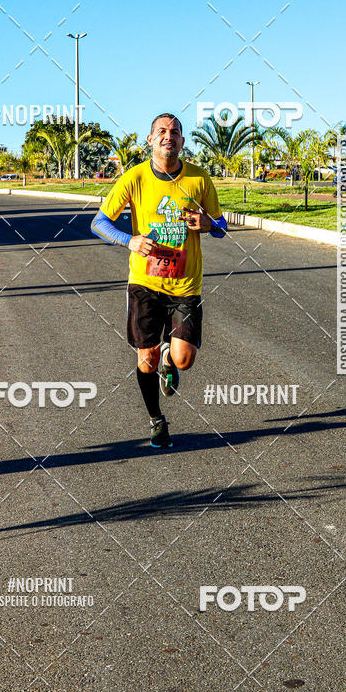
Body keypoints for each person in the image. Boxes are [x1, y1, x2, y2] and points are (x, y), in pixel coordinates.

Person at [90, 113, 227, 448]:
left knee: (183, 359)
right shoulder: (134, 178)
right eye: (162, 132)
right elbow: (99, 223)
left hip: (185, 285)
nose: (169, 136)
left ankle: (171, 359)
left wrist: (206, 225)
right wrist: (129, 240)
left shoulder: (199, 179)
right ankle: (156, 420)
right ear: (150, 140)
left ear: (182, 141)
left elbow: (222, 226)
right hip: (145, 284)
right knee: (145, 358)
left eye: (176, 132)